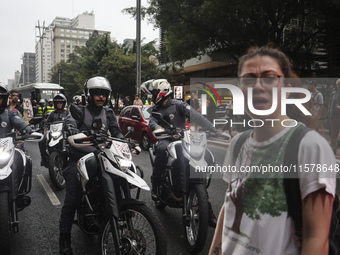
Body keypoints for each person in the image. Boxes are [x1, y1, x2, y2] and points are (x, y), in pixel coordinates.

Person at [210, 46, 336, 255]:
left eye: (269, 78)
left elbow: (316, 238)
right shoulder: (238, 143)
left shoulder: (310, 146)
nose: (257, 86)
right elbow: (229, 203)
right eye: (248, 79)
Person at [59, 76, 124, 255]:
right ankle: (64, 238)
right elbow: (69, 122)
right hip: (79, 158)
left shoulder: (109, 113)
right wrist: (71, 129)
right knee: (72, 195)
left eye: (104, 94)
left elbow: (117, 132)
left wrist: (126, 142)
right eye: (97, 93)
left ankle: (123, 209)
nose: (101, 97)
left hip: (103, 155)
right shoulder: (79, 110)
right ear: (89, 94)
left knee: (123, 175)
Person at [141, 78, 218, 227]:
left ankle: (207, 208)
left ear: (161, 92)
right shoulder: (156, 110)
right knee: (162, 149)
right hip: (167, 140)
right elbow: (152, 123)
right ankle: (156, 185)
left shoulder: (179, 105)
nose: (152, 96)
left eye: (154, 93)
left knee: (201, 159)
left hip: (185, 140)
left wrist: (212, 128)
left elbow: (196, 116)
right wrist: (157, 128)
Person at [38, 94, 69, 167]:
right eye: (57, 103)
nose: (59, 105)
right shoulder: (52, 114)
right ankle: (44, 158)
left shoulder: (67, 113)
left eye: (60, 103)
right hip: (54, 133)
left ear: (63, 104)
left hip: (65, 132)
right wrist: (44, 127)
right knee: (43, 139)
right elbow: (47, 123)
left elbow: (73, 121)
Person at [327, 79, 340, 154]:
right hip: (334, 116)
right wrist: (328, 115)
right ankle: (333, 150)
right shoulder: (333, 94)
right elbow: (329, 105)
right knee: (333, 135)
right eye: (338, 84)